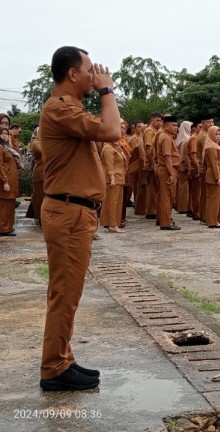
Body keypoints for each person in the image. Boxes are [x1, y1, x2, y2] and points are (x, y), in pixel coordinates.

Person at [39, 46, 121, 390]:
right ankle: (54, 368)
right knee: (65, 292)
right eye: (89, 70)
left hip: (74, 211)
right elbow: (112, 131)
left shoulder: (68, 109)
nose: (94, 75)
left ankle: (63, 358)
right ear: (72, 74)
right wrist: (107, 91)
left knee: (67, 291)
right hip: (69, 211)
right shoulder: (60, 109)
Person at [155, 115, 181, 230]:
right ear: (165, 126)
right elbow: (167, 157)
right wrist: (171, 173)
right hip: (167, 169)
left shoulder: (167, 136)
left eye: (176, 125)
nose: (175, 127)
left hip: (166, 169)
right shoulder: (166, 138)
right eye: (173, 125)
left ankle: (162, 219)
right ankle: (165, 223)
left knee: (164, 196)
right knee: (167, 197)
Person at [203, 126, 220, 228]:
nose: (218, 136)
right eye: (216, 134)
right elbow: (214, 164)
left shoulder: (214, 145)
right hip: (215, 177)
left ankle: (215, 220)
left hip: (218, 175)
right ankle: (212, 221)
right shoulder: (212, 147)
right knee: (214, 200)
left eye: (219, 134)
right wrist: (218, 178)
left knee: (217, 200)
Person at [100, 138, 126, 233]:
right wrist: (112, 178)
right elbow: (109, 165)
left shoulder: (115, 148)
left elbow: (123, 163)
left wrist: (122, 153)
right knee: (112, 202)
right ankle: (112, 224)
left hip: (119, 177)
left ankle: (113, 223)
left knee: (116, 202)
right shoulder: (108, 148)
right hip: (113, 178)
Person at [0, 126, 18, 236]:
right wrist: (5, 181)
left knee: (10, 205)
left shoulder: (7, 147)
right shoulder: (0, 148)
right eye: (2, 134)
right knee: (4, 206)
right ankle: (3, 229)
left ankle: (8, 227)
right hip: (5, 182)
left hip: (12, 181)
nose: (5, 135)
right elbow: (0, 166)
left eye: (6, 134)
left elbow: (18, 152)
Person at [29, 127, 45, 225]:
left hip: (46, 174)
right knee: (40, 198)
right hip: (40, 174)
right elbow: (43, 151)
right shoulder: (35, 143)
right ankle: (40, 219)